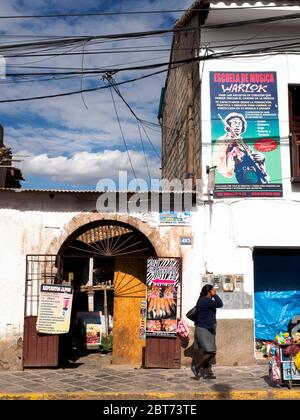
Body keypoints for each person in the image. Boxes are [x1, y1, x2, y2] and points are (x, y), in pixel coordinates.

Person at [213, 112, 269, 184]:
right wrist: (230, 147)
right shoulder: (222, 140)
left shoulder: (244, 144)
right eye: (234, 123)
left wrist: (262, 157)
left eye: (239, 124)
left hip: (255, 173)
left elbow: (252, 156)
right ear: (228, 126)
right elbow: (219, 160)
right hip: (242, 173)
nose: (237, 126)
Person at [191, 284, 223, 380]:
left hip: (206, 328)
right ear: (209, 292)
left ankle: (206, 372)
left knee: (207, 351)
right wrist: (215, 295)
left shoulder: (202, 299)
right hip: (204, 329)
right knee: (211, 351)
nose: (215, 291)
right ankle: (196, 367)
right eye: (213, 290)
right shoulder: (206, 301)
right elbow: (220, 304)